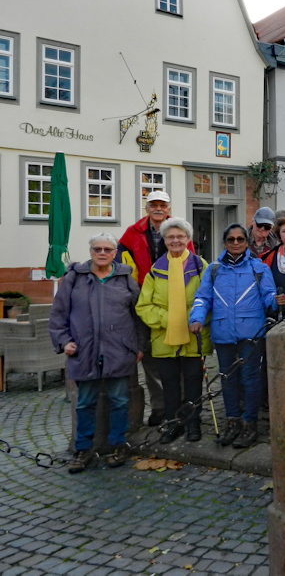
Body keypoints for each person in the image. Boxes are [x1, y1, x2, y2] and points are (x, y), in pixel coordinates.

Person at [49, 233, 145, 473]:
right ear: (90, 251)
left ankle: (118, 443)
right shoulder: (74, 278)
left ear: (115, 253)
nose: (102, 253)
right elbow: (58, 315)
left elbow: (139, 315)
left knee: (120, 400)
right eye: (97, 249)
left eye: (107, 249)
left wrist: (139, 346)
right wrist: (63, 342)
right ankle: (84, 449)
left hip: (119, 350)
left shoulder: (125, 278)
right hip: (84, 351)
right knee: (85, 403)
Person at [189, 224, 282, 449]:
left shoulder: (258, 268)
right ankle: (232, 421)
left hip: (251, 334)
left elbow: (267, 296)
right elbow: (203, 297)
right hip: (223, 334)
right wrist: (196, 317)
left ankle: (249, 422)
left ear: (246, 242)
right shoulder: (214, 269)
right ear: (225, 242)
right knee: (227, 379)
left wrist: (275, 300)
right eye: (231, 239)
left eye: (240, 239)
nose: (236, 243)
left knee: (250, 379)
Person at [116, 190, 194, 426]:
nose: (158, 208)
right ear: (147, 208)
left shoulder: (177, 230)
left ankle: (181, 403)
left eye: (163, 204)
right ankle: (160, 406)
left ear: (169, 208)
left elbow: (190, 262)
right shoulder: (132, 233)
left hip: (178, 299)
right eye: (153, 205)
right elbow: (122, 266)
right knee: (152, 357)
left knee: (181, 354)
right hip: (147, 299)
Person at [136, 218, 212, 444]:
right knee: (168, 384)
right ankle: (172, 423)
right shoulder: (155, 270)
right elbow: (144, 306)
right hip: (164, 337)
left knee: (193, 381)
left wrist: (197, 318)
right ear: (165, 241)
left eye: (180, 236)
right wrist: (171, 318)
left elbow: (211, 300)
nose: (176, 240)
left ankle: (193, 423)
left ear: (188, 240)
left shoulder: (201, 266)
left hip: (194, 336)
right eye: (171, 237)